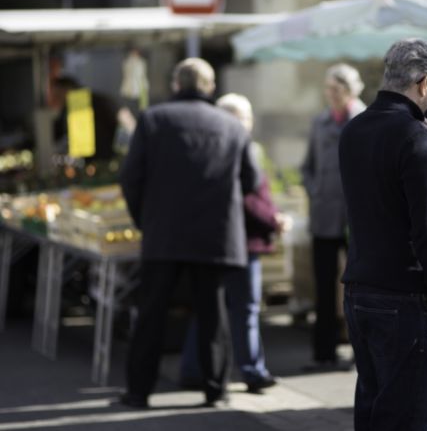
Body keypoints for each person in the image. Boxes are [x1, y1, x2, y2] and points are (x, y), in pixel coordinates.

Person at [118, 58, 259, 408]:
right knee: (213, 314)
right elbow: (252, 181)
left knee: (152, 314)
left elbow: (130, 177)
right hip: (215, 234)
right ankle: (216, 390)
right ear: (210, 87)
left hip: (163, 234)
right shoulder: (232, 126)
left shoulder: (153, 119)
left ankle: (139, 392)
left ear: (177, 84)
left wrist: (144, 218)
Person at [339, 38, 427, 431]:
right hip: (406, 295)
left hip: (360, 287)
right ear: (424, 83)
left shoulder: (354, 129)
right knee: (407, 418)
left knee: (374, 414)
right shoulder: (415, 134)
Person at [180, 93, 291, 393]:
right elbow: (251, 198)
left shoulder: (205, 148)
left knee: (209, 308)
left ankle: (193, 368)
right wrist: (274, 220)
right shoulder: (241, 147)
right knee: (245, 310)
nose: (249, 122)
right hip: (241, 241)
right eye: (245, 116)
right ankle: (252, 371)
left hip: (212, 241)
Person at [300, 63, 366, 370]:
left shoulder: (364, 120)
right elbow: (307, 166)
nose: (331, 95)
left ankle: (361, 352)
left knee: (359, 286)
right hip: (324, 215)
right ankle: (323, 353)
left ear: (351, 91)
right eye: (328, 89)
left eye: (337, 89)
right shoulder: (319, 122)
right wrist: (316, 191)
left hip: (357, 219)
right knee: (324, 287)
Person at [51, 75, 120, 160]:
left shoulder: (79, 102)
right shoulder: (95, 98)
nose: (57, 100)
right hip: (108, 154)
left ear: (67, 89)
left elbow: (81, 148)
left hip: (96, 158)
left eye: (58, 95)